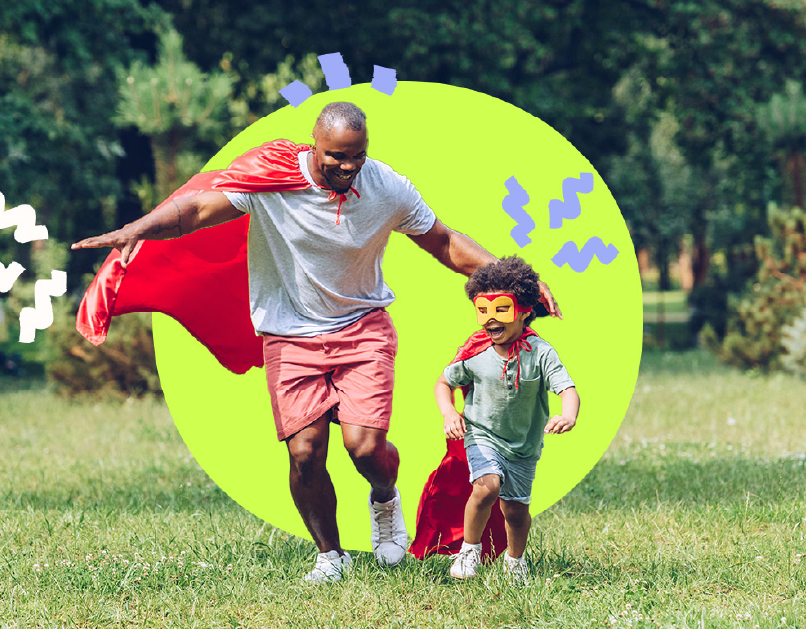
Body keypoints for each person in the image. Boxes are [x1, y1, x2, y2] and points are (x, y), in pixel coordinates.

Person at [72, 102, 561, 583]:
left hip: (362, 328)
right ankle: (331, 555)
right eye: (336, 157)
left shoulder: (386, 186)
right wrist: (138, 229)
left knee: (365, 448)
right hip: (288, 335)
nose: (347, 167)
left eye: (357, 156)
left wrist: (512, 278)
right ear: (315, 145)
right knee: (305, 453)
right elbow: (198, 208)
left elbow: (444, 242)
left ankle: (385, 497)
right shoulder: (272, 180)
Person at [433, 256, 579, 581]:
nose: (490, 320)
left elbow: (567, 388)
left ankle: (515, 561)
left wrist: (568, 414)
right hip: (482, 435)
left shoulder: (540, 353)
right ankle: (469, 552)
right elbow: (444, 383)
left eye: (502, 310)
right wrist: (448, 413)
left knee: (515, 511)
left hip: (524, 446)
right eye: (482, 310)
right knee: (487, 488)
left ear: (525, 310)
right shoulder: (475, 352)